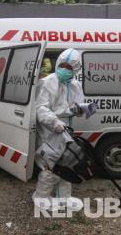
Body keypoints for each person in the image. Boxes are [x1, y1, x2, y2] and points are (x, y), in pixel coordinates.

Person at [33, 48, 84, 211]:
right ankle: (41, 197)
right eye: (63, 65)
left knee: (67, 163)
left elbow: (76, 106)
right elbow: (40, 107)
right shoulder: (48, 82)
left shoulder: (75, 85)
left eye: (69, 68)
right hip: (50, 130)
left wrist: (82, 109)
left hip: (67, 128)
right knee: (50, 164)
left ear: (76, 69)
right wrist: (54, 121)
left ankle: (64, 197)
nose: (65, 70)